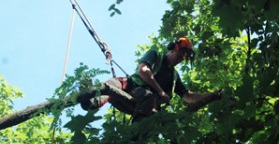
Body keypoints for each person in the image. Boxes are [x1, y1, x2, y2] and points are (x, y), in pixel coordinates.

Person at [80, 37, 222, 122]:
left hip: (144, 102)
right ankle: (89, 98)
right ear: (175, 48)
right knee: (111, 85)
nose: (183, 57)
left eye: (186, 56)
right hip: (129, 86)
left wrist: (211, 95)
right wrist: (161, 92)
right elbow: (143, 71)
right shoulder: (155, 55)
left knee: (148, 97)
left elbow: (188, 96)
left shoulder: (174, 77)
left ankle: (136, 131)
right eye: (183, 53)